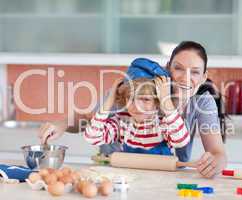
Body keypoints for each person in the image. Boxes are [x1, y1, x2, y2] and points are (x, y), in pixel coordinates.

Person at [38, 41, 227, 178]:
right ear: (168, 68)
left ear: (203, 77)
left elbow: (217, 152)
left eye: (194, 71)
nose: (185, 78)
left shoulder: (202, 102)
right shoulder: (137, 88)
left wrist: (216, 162)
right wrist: (61, 123)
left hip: (165, 175)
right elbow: (89, 119)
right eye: (178, 68)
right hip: (114, 173)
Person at [84, 58, 190, 155]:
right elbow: (92, 137)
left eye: (146, 99)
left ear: (157, 102)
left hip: (160, 176)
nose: (137, 107)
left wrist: (165, 100)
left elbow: (181, 141)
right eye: (130, 98)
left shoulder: (163, 124)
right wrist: (109, 100)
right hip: (128, 176)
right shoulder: (122, 123)